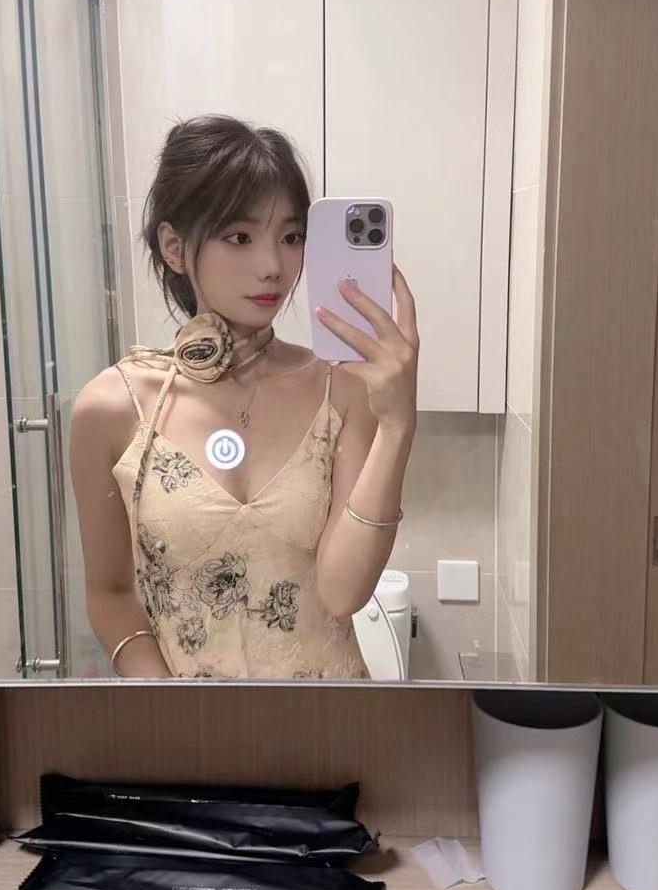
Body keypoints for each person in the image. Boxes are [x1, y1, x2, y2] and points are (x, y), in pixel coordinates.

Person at [70, 115, 419, 679]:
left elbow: (342, 593)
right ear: (174, 247)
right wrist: (164, 702)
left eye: (291, 237)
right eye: (240, 237)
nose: (273, 266)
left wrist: (399, 425)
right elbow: (109, 594)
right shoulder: (113, 407)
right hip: (184, 726)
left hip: (334, 717)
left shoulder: (342, 389)